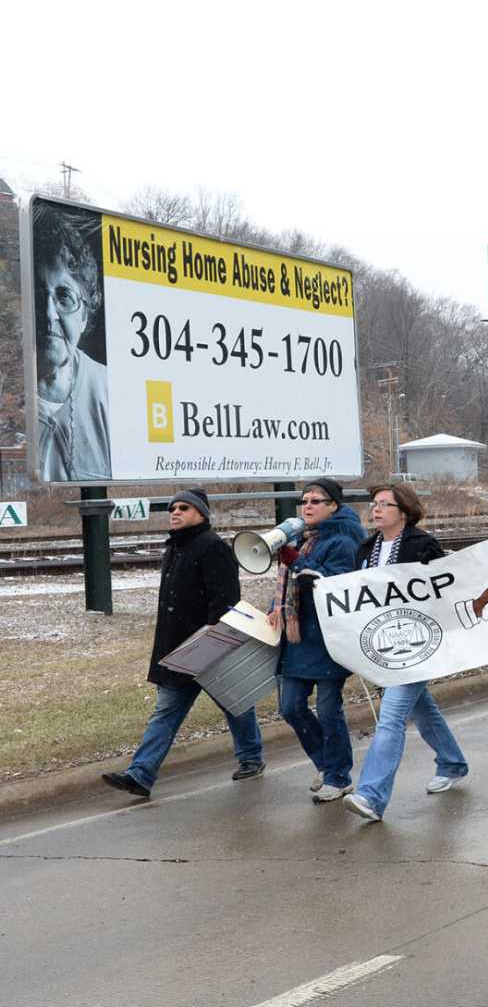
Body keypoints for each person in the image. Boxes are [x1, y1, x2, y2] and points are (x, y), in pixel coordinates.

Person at [100, 489, 263, 799]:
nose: (175, 512)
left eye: (184, 508)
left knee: (235, 704)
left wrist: (211, 639)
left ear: (201, 514)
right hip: (178, 651)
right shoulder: (175, 547)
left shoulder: (212, 547)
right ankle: (141, 775)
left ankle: (251, 758)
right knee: (167, 712)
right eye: (173, 508)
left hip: (209, 647)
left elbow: (226, 600)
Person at [342, 484, 468, 822]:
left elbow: (441, 590)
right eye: (375, 503)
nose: (377, 509)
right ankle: (452, 762)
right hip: (384, 644)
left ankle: (371, 796)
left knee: (392, 716)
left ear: (404, 511)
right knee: (422, 707)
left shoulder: (422, 544)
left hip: (417, 643)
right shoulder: (366, 548)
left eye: (385, 504)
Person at [270, 477, 366, 802]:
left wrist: (296, 561)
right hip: (300, 637)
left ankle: (339, 777)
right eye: (305, 500)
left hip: (328, 638)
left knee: (327, 710)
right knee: (291, 707)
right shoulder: (307, 538)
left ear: (334, 507)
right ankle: (327, 765)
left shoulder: (343, 540)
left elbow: (334, 584)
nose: (307, 506)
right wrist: (276, 608)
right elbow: (290, 583)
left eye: (316, 501)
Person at [32, 203, 110, 481]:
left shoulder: (110, 391)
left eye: (64, 296)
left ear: (86, 315)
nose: (49, 314)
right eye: (38, 295)